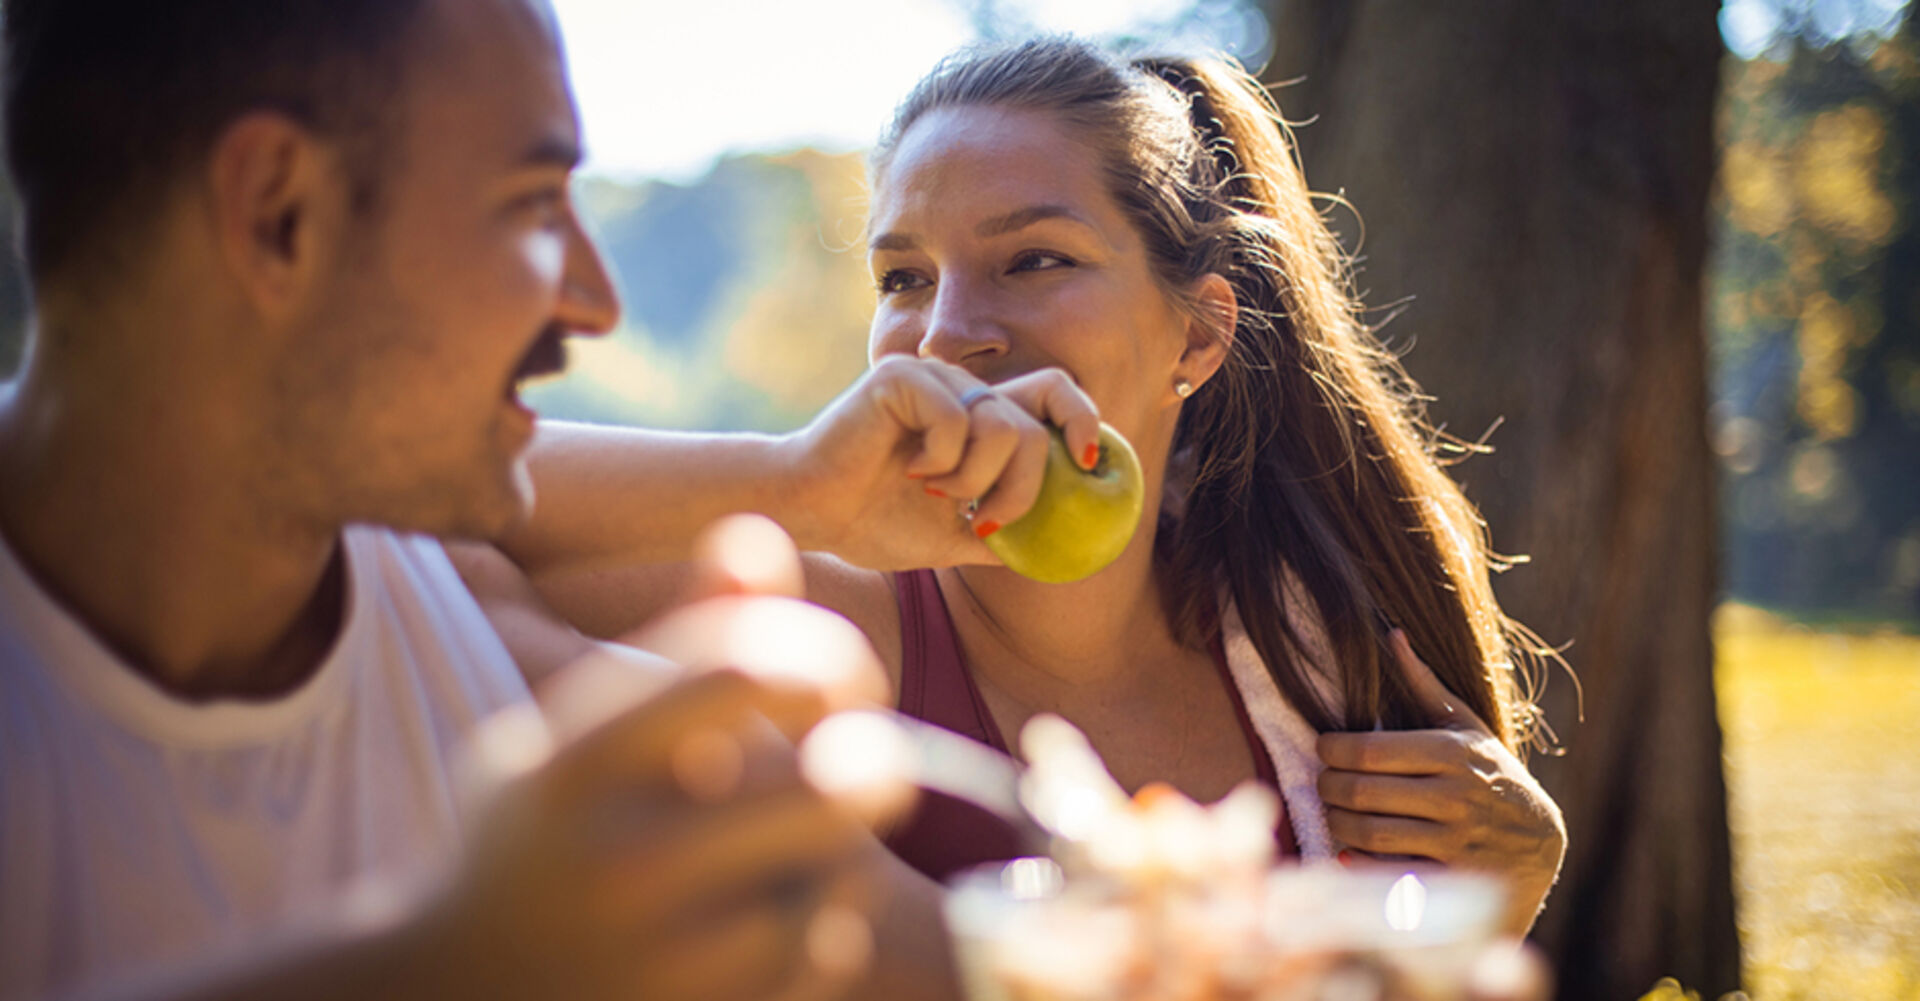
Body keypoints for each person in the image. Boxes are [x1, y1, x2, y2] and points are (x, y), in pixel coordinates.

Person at [486, 37, 1568, 937]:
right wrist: (798, 485)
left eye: (1033, 260)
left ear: (1196, 334)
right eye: (904, 277)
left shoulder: (1317, 651)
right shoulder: (814, 617)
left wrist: (1495, 906)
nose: (947, 331)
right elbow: (378, 505)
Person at [0, 2, 889, 1000]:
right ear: (278, 215)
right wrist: (452, 960)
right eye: (533, 207)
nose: (596, 302)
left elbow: (925, 949)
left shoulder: (445, 588)